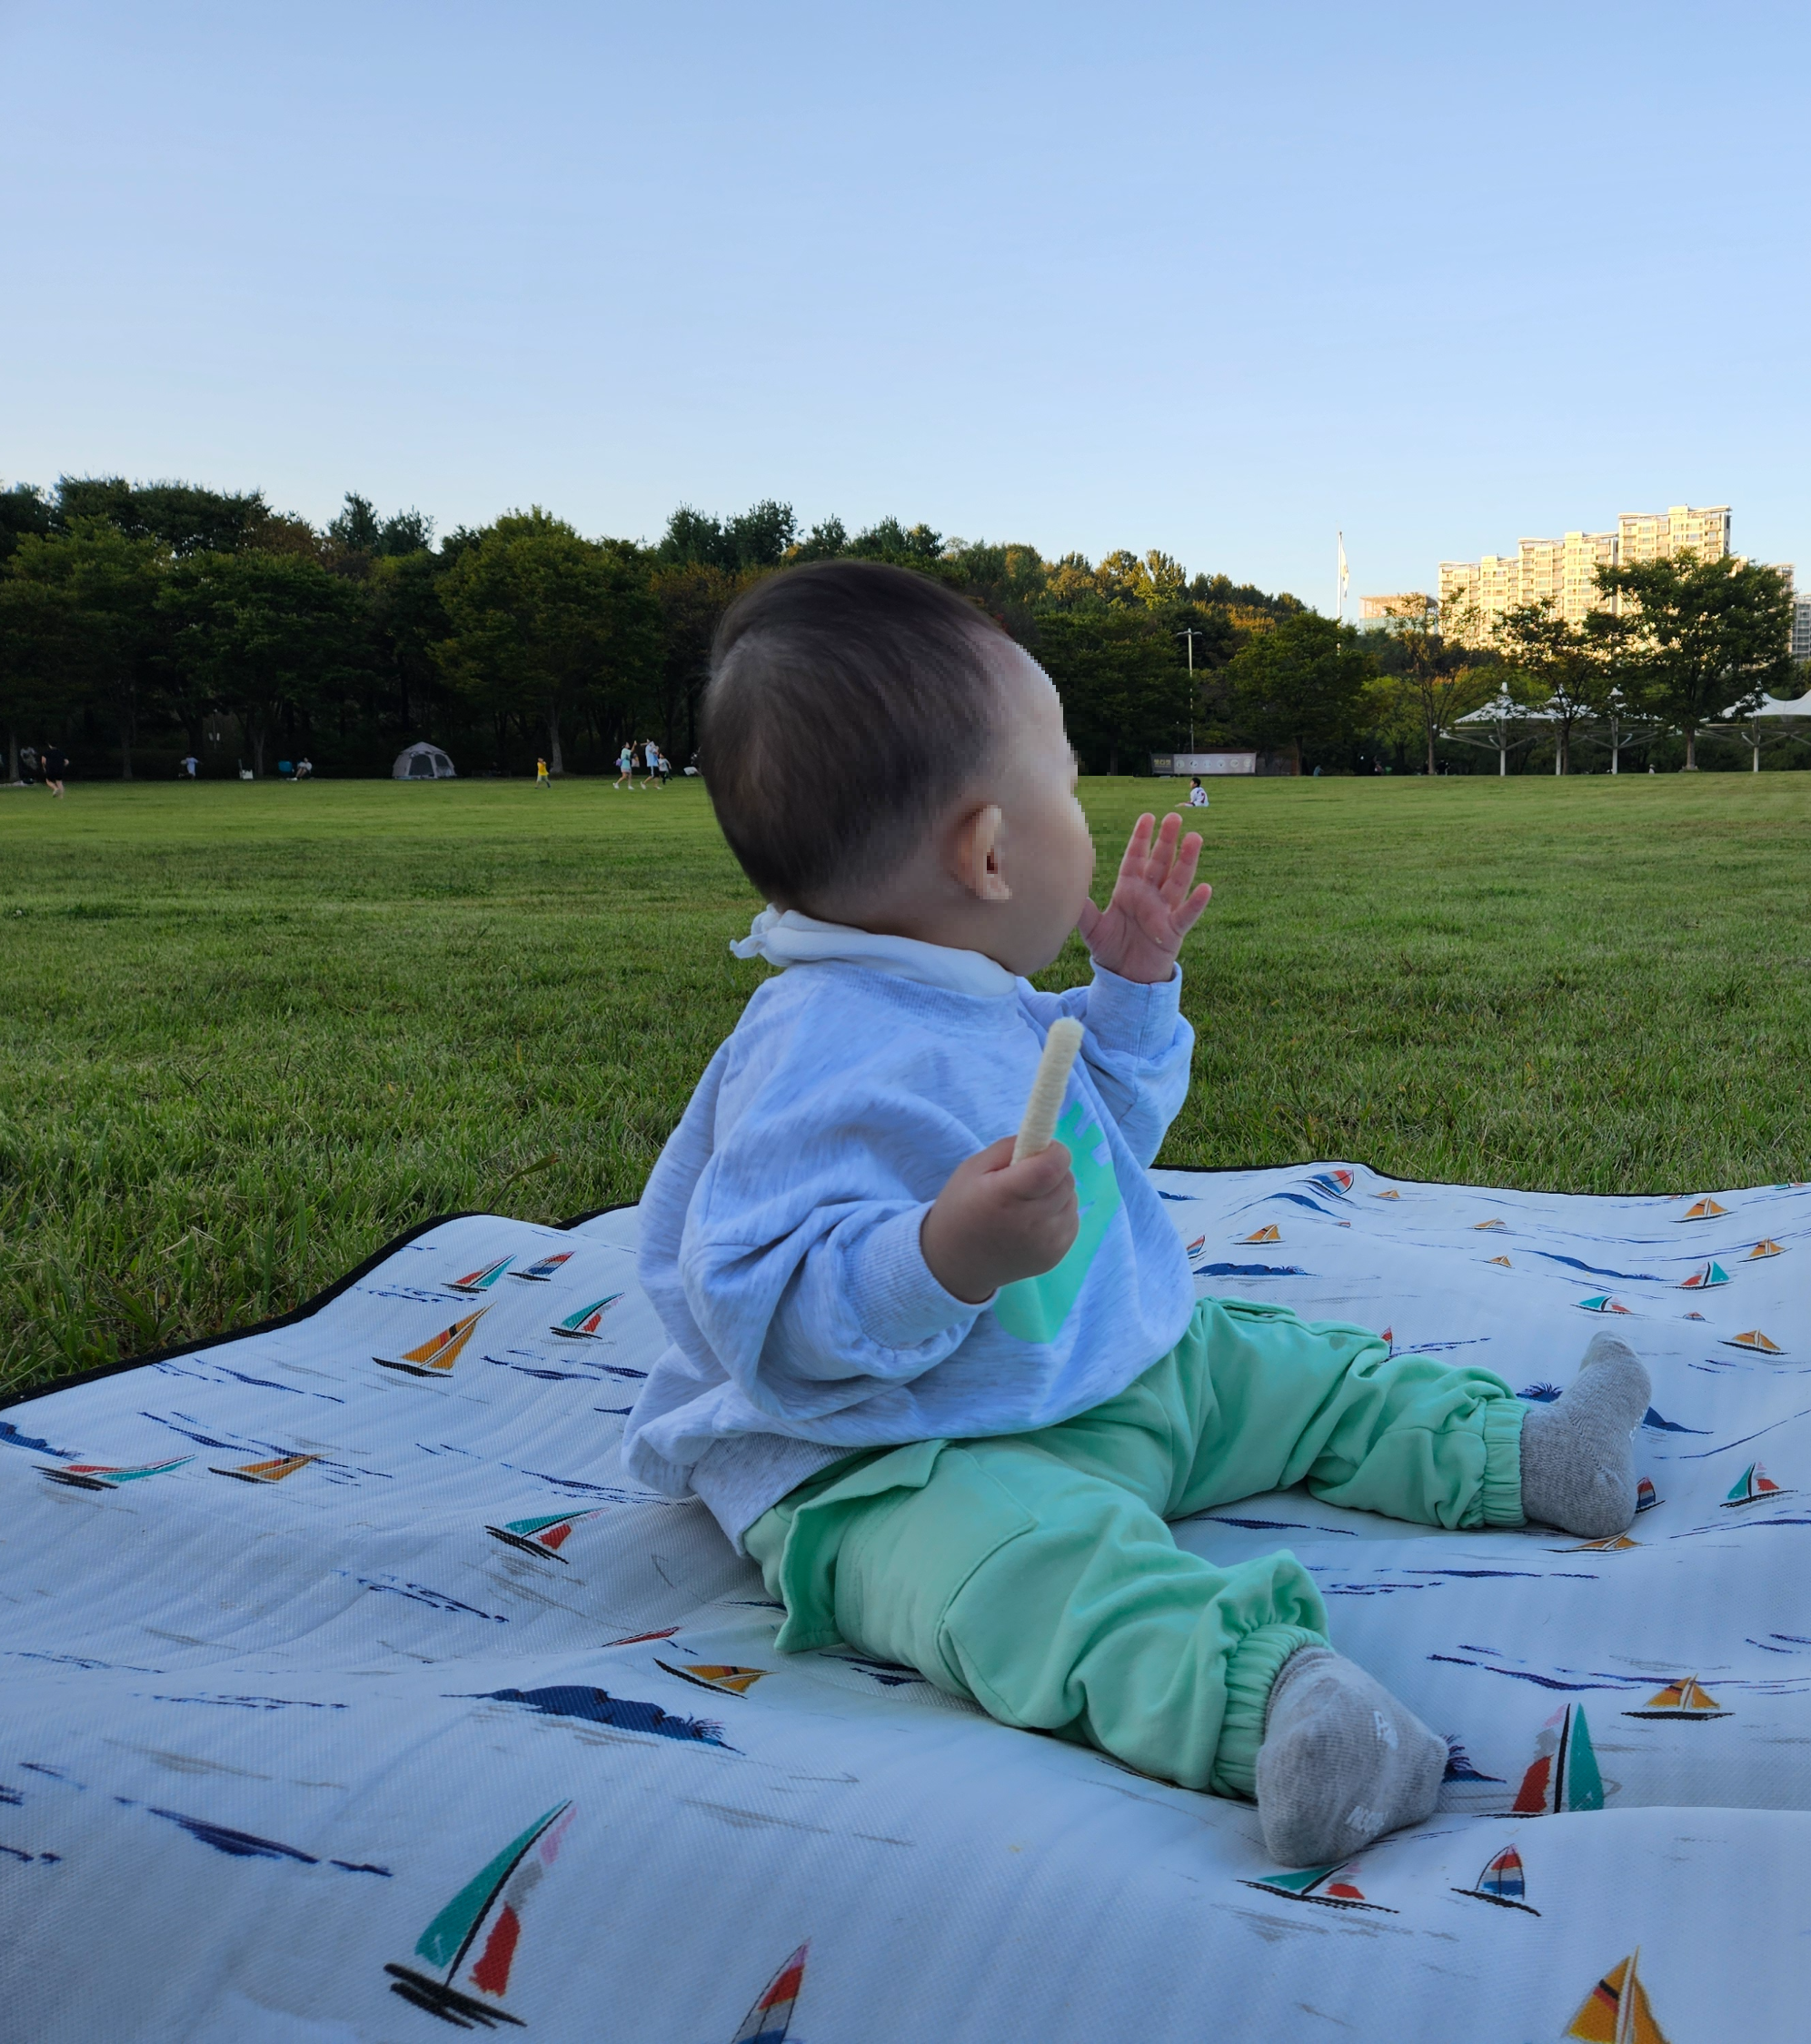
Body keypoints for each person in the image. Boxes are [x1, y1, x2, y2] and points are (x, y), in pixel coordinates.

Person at [622, 561, 1651, 1870]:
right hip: (892, 1458)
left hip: (1112, 1378)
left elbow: (1108, 1123)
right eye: (1067, 780)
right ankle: (1273, 1707)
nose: (1088, 815)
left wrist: (1128, 994)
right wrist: (942, 1256)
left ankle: (1527, 1453)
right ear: (991, 851)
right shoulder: (816, 1042)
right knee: (1033, 1580)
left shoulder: (978, 994)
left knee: (1291, 1369)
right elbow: (759, 1304)